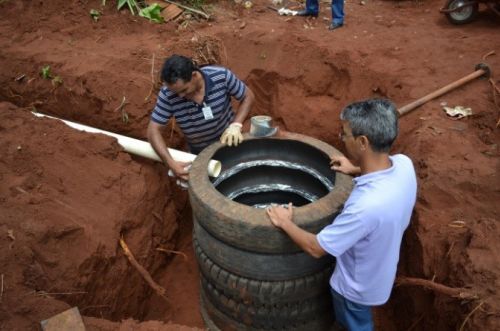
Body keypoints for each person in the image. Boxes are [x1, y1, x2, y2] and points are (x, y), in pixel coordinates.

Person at [266, 99, 417, 331]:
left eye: (345, 133)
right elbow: (385, 169)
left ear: (363, 142)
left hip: (355, 289)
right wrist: (355, 168)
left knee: (355, 324)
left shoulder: (365, 207)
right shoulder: (405, 165)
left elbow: (316, 248)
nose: (340, 137)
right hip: (380, 270)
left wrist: (285, 223)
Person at [147, 55, 255, 181]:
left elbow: (248, 96)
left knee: (239, 179)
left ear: (194, 75)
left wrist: (236, 125)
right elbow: (152, 131)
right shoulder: (168, 94)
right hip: (198, 154)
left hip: (229, 144)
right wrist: (170, 163)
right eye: (176, 93)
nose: (180, 96)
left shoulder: (221, 76)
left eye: (184, 90)